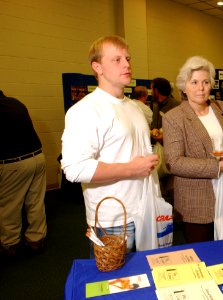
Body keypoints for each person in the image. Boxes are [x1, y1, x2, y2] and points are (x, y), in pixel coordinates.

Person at [61, 36, 160, 254]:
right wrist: (132, 169)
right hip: (112, 221)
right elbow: (74, 169)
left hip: (146, 211)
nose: (126, 64)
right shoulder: (85, 110)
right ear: (97, 67)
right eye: (117, 60)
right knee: (114, 286)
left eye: (127, 58)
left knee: (146, 282)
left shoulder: (134, 107)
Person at [163, 56, 223, 243]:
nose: (201, 88)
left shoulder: (221, 108)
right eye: (194, 82)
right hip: (196, 200)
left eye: (205, 82)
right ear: (184, 86)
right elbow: (174, 163)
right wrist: (217, 167)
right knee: (203, 256)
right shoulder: (174, 118)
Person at [0, 90, 47, 257]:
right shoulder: (16, 103)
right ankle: (36, 239)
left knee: (10, 205)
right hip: (38, 157)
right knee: (35, 201)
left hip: (15, 162)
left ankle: (10, 244)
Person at [150, 77, 181, 144]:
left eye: (152, 89)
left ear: (156, 91)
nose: (151, 92)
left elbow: (180, 130)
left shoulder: (177, 106)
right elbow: (154, 125)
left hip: (171, 147)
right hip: (156, 146)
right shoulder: (155, 105)